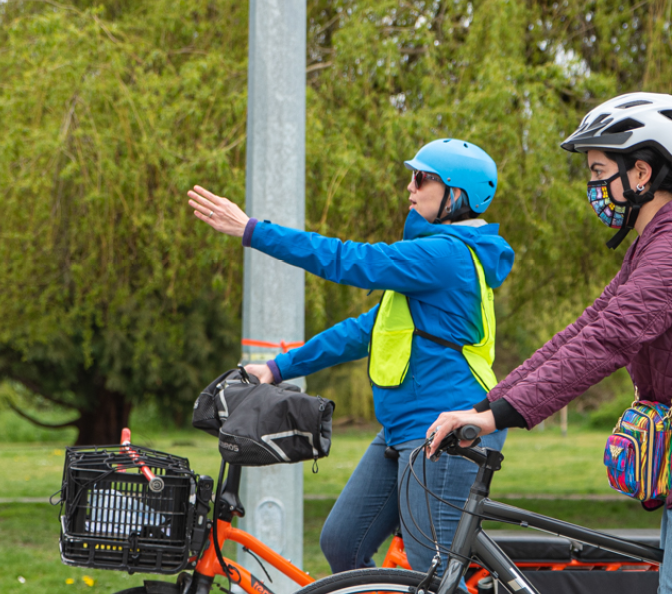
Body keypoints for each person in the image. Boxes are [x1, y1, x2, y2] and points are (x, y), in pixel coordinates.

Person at [424, 93, 672, 594]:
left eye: (598, 169)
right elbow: (584, 330)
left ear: (642, 173)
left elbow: (610, 341)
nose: (592, 186)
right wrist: (485, 406)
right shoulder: (659, 241)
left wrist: (497, 417)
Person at [186, 138, 514, 574]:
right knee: (342, 542)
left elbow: (348, 260)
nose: (410, 188)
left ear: (457, 195)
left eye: (422, 178)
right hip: (404, 428)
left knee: (431, 571)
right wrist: (277, 368)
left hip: (446, 429)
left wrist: (253, 231)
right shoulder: (431, 262)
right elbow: (363, 331)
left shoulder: (445, 255)